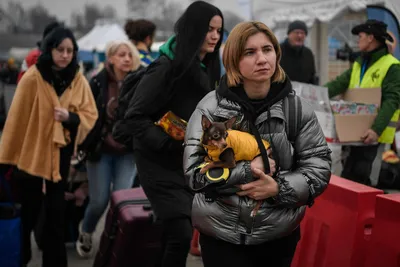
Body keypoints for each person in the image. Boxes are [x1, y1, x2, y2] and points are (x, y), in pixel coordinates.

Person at [183, 21, 331, 267]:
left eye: (267, 49)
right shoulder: (210, 107)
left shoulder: (296, 109)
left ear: (276, 53)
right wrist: (246, 171)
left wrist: (278, 188)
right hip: (222, 236)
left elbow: (319, 168)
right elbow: (194, 174)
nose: (262, 59)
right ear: (233, 60)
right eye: (250, 52)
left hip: (278, 236)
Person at [118, 1, 224, 266]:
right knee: (181, 233)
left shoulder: (209, 66)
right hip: (155, 161)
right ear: (193, 29)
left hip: (184, 163)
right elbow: (134, 116)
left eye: (218, 31)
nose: (214, 36)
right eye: (208, 29)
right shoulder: (166, 67)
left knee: (173, 233)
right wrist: (167, 143)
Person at [0, 26, 98, 267]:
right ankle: (19, 257)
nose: (65, 55)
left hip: (61, 152)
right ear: (49, 49)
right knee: (29, 211)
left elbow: (89, 113)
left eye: (70, 50)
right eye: (60, 50)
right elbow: (17, 119)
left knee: (56, 213)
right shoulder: (33, 77)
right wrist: (6, 157)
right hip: (31, 153)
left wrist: (70, 118)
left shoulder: (77, 78)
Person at [75, 40, 142, 258]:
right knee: (99, 201)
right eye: (121, 55)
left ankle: (115, 240)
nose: (127, 59)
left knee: (121, 201)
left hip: (127, 151)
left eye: (130, 55)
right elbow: (86, 114)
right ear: (110, 58)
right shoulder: (97, 81)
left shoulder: (141, 80)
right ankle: (86, 231)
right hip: (100, 150)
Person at [326, 19, 400, 186]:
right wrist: (316, 95)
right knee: (348, 177)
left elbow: (392, 101)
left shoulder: (392, 66)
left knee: (367, 180)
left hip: (374, 136)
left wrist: (376, 130)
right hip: (354, 133)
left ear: (370, 38)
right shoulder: (360, 63)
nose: (357, 41)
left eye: (360, 36)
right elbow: (339, 83)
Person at [280, 20, 317, 84]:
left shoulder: (308, 54)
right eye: (296, 32)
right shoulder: (278, 51)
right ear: (289, 34)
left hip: (303, 93)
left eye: (302, 33)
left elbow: (312, 78)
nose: (299, 35)